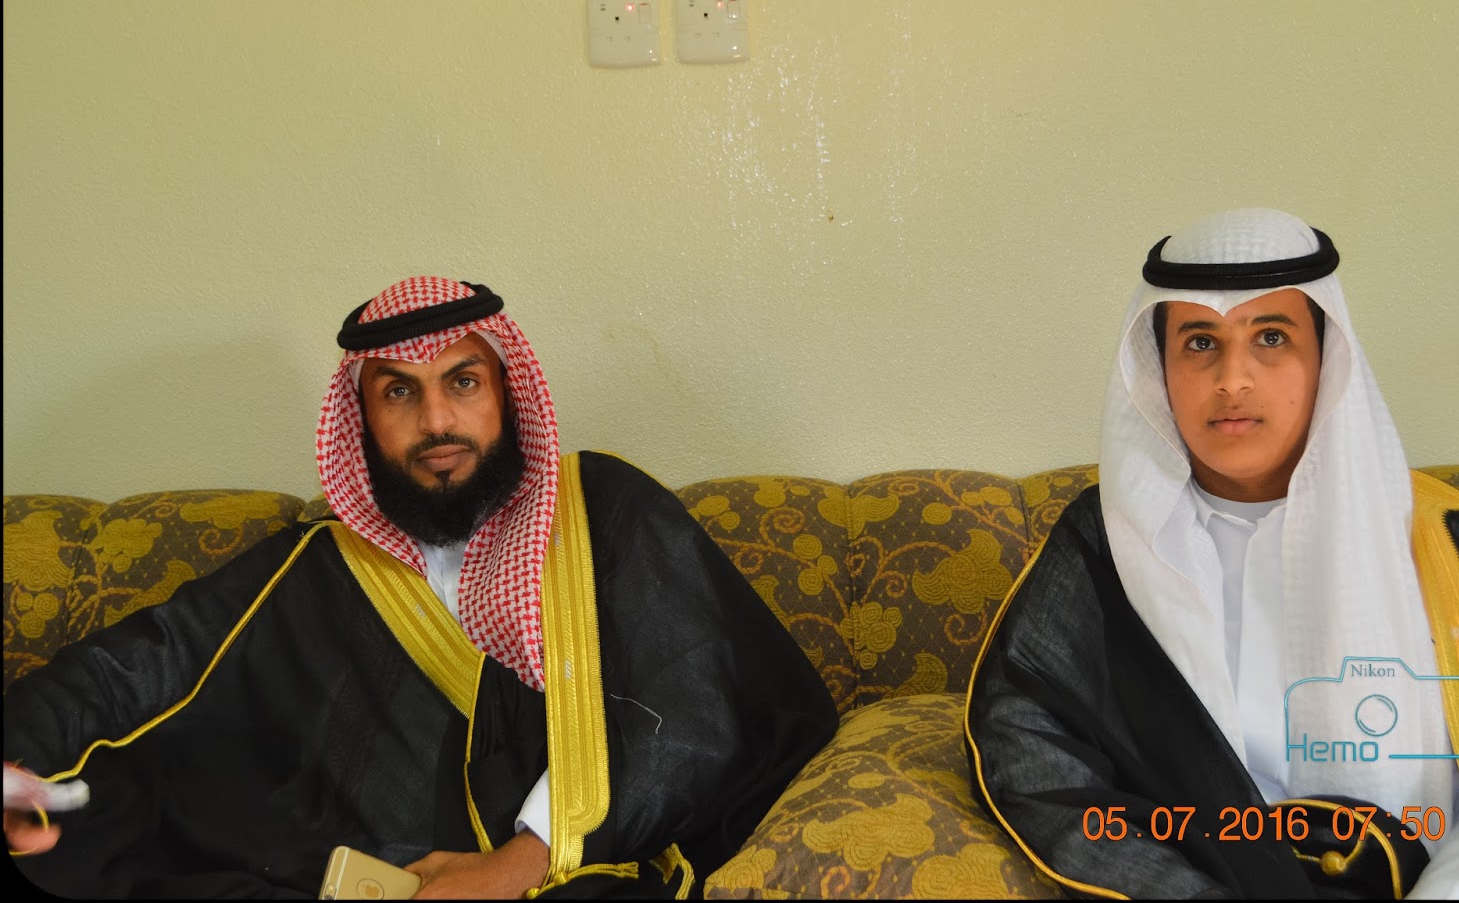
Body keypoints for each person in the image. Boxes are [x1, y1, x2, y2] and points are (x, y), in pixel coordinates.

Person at [4, 276, 838, 898]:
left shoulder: (606, 509)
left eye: (462, 382)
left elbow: (688, 708)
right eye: (399, 392)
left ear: (506, 394)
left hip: (579, 870)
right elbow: (139, 665)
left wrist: (515, 865)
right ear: (362, 422)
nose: (436, 421)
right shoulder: (321, 563)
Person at [965, 209, 1459, 898]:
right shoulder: (1105, 542)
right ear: (1159, 370)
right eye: (1199, 342)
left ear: (1326, 359)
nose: (1232, 379)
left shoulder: (1436, 536)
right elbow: (1031, 752)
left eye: (1271, 337)